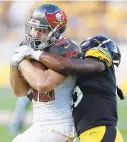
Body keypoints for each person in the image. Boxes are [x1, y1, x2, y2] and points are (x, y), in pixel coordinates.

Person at [25, 35, 123, 142]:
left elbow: (66, 65)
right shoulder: (87, 76)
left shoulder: (97, 60)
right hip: (90, 135)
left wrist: (36, 54)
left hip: (100, 132)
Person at [10, 4, 81, 142]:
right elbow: (20, 92)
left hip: (59, 126)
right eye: (34, 28)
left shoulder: (65, 48)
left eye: (42, 30)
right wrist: (14, 64)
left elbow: (43, 84)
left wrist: (23, 61)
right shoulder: (27, 46)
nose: (36, 33)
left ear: (57, 31)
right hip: (42, 126)